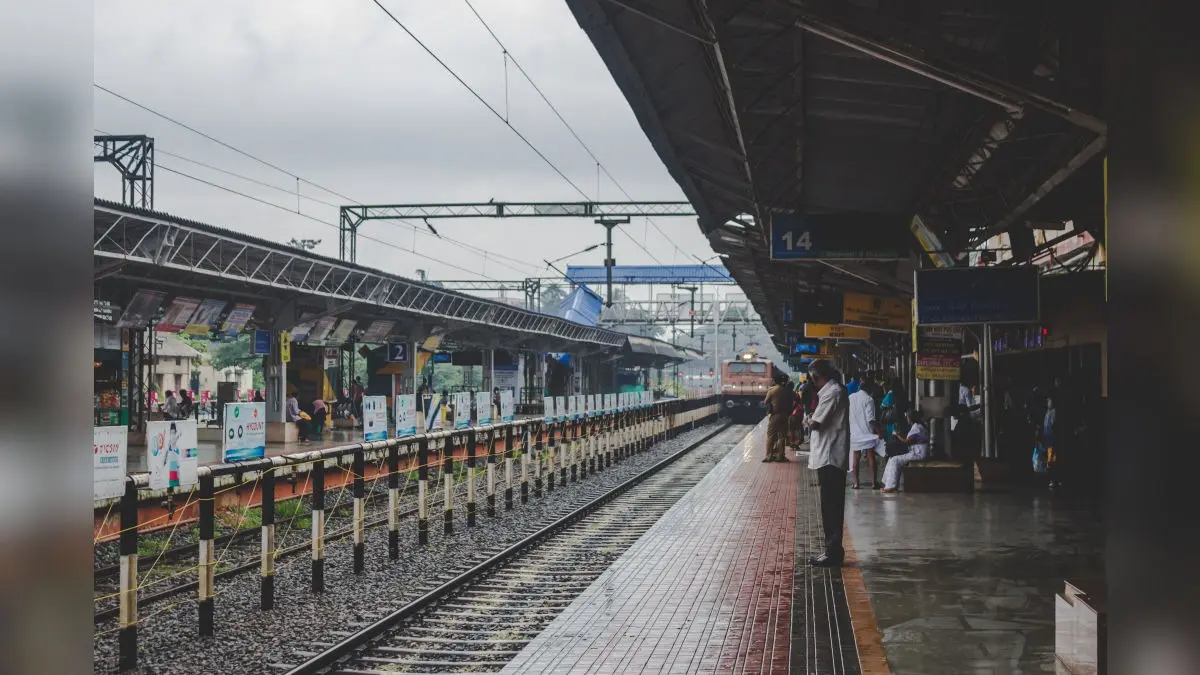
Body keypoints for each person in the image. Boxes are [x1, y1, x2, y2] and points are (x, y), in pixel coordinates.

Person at [804, 359, 850, 567]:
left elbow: (816, 423)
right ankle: (832, 550)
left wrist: (807, 418)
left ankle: (833, 553)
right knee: (830, 505)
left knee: (831, 506)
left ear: (816, 376)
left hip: (830, 456)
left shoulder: (832, 392)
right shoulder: (833, 391)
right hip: (829, 455)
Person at [880, 409, 930, 493]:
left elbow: (907, 441)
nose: (906, 418)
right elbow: (910, 439)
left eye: (907, 417)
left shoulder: (916, 427)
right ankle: (887, 483)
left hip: (918, 454)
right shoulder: (918, 426)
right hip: (916, 452)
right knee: (892, 458)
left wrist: (897, 434)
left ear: (910, 418)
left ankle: (891, 486)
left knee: (895, 460)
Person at [848, 379, 884, 489]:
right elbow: (871, 419)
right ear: (869, 389)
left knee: (856, 456)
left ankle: (856, 483)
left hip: (854, 433)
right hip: (867, 433)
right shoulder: (869, 399)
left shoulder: (851, 398)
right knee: (870, 456)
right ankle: (874, 483)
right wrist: (879, 431)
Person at [762, 373, 794, 462]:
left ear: (775, 381)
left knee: (771, 436)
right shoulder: (787, 390)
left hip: (775, 415)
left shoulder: (772, 390)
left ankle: (769, 456)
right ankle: (780, 456)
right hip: (785, 416)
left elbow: (765, 402)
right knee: (782, 436)